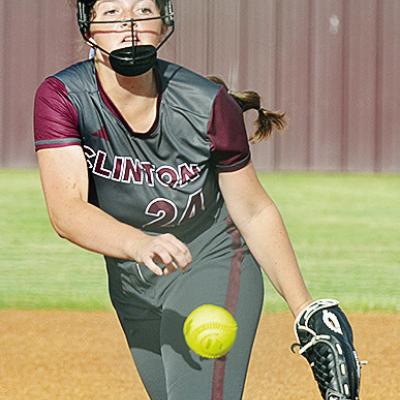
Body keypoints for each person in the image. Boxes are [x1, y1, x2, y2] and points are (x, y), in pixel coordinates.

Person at [34, 1, 361, 399]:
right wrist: (138, 244)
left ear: (164, 20)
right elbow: (66, 210)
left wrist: (303, 309)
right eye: (112, 13)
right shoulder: (64, 97)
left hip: (211, 262)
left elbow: (254, 210)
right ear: (88, 25)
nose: (130, 26)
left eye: (142, 10)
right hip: (133, 282)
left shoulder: (206, 103)